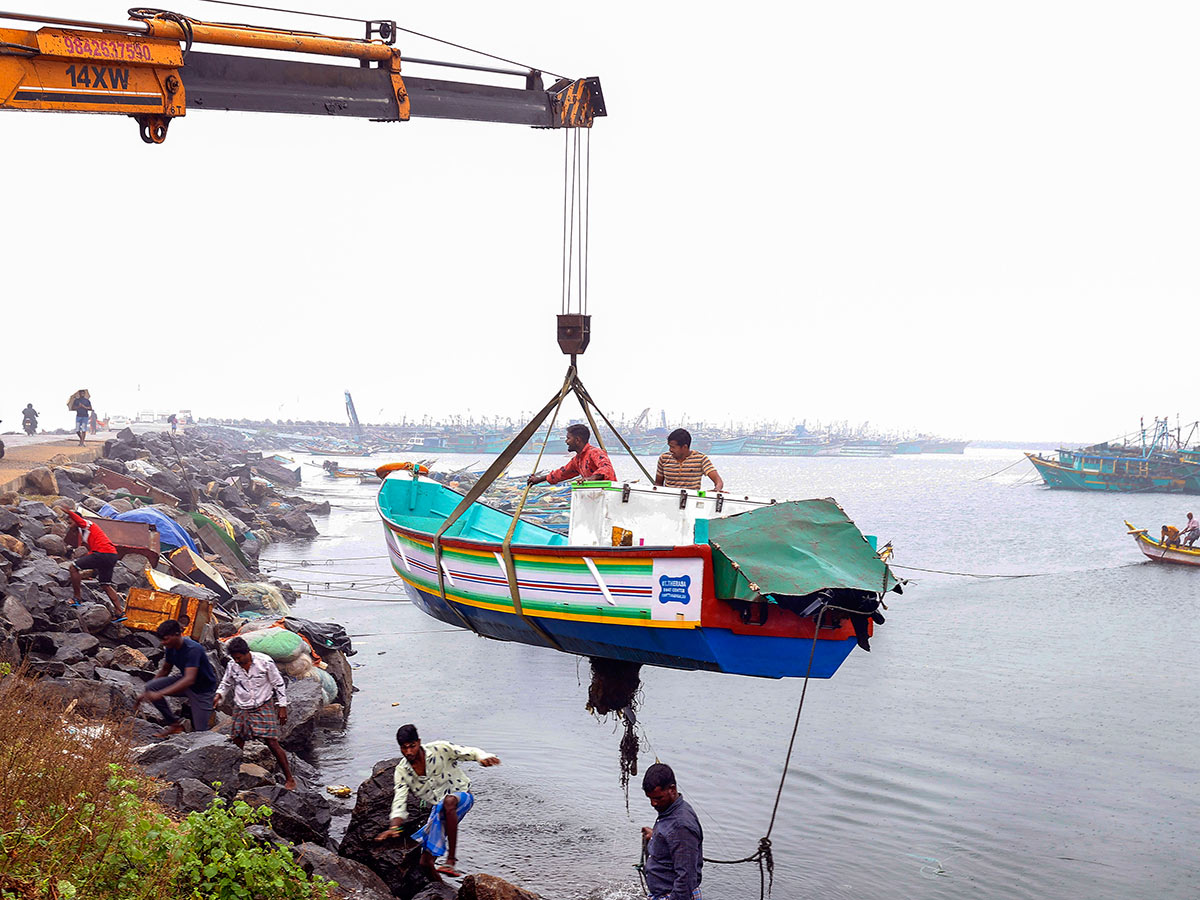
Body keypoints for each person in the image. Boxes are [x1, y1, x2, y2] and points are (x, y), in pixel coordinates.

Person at [375, 723, 501, 880]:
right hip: (438, 809)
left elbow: (469, 752)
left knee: (448, 801)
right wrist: (394, 827)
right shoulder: (402, 771)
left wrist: (483, 758)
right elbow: (399, 800)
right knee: (425, 862)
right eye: (404, 748)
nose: (409, 752)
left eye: (412, 746)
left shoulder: (439, 749)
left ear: (419, 742)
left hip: (461, 796)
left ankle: (451, 860)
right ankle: (443, 890)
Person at [215, 636, 295, 790]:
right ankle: (233, 774)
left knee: (272, 741)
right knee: (237, 740)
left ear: (247, 653)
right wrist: (219, 695)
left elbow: (278, 683)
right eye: (235, 658)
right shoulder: (233, 665)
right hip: (241, 705)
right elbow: (226, 683)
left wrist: (282, 706)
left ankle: (289, 778)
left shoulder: (265, 662)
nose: (238, 661)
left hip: (262, 704)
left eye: (239, 658)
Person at [136, 619, 218, 738]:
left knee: (201, 733)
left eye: (166, 639)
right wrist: (145, 692)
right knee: (151, 687)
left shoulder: (193, 649)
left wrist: (160, 693)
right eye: (162, 639)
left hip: (202, 690)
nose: (163, 642)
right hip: (184, 680)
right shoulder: (171, 647)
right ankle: (174, 725)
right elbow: (165, 670)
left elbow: (190, 679)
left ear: (177, 634)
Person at [640, 762, 703, 900]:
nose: (653, 803)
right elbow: (671, 841)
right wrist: (655, 837)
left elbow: (686, 878)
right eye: (650, 798)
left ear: (672, 789)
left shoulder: (681, 826)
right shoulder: (669, 811)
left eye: (658, 798)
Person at [61, 508, 124, 615]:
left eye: (70, 521)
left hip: (103, 553)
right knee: (105, 585)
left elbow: (80, 520)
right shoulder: (85, 532)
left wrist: (68, 511)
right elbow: (92, 551)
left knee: (73, 568)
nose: (68, 524)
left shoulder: (87, 524)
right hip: (111, 555)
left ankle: (77, 598)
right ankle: (119, 611)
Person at [527, 423, 616, 486]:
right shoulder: (577, 460)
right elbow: (561, 473)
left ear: (577, 440)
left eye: (568, 438)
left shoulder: (595, 452)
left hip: (608, 495)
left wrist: (590, 479)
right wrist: (538, 479)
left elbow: (606, 468)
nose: (566, 441)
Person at [655, 429, 724, 492]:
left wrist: (716, 490)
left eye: (673, 447)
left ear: (684, 447)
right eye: (669, 446)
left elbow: (718, 481)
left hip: (691, 501)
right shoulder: (664, 458)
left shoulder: (701, 459)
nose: (670, 450)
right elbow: (658, 483)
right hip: (669, 501)